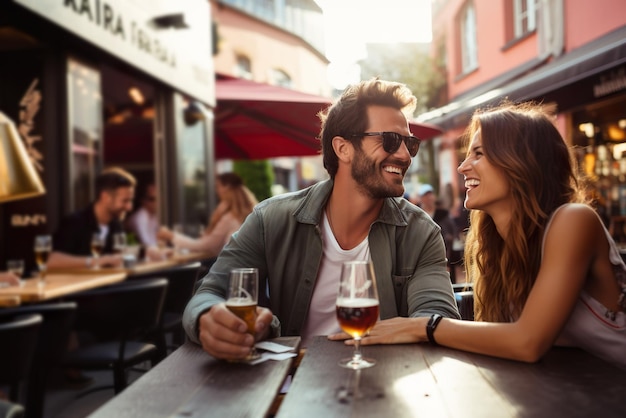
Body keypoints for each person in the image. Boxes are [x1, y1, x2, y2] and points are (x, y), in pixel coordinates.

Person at [183, 78, 460, 361]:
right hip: (290, 388)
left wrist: (424, 326)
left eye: (409, 143)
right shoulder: (271, 219)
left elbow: (437, 316)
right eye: (390, 140)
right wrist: (209, 319)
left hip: (383, 387)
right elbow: (209, 293)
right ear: (343, 148)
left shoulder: (420, 232)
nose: (403, 155)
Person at [343, 102, 626, 369]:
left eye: (478, 154)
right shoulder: (497, 245)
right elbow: (503, 343)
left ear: (521, 162)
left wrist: (423, 326)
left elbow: (528, 343)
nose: (463, 166)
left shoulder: (573, 221)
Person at [48, 167, 136, 269]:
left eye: (130, 201)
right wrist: (95, 261)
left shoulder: (116, 225)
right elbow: (51, 260)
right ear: (105, 197)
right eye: (125, 201)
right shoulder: (75, 222)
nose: (129, 207)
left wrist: (146, 251)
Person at [157, 172, 258, 257]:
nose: (216, 191)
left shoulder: (230, 218)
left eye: (217, 186)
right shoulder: (250, 213)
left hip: (231, 271)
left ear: (226, 188)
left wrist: (171, 236)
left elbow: (206, 245)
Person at [417, 184, 458, 282]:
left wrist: (447, 262)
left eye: (430, 194)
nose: (429, 198)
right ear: (421, 198)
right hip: (423, 258)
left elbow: (451, 236)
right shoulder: (415, 215)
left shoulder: (443, 214)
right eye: (426, 195)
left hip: (444, 255)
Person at [127, 182, 159, 247]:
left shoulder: (154, 215)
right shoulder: (140, 217)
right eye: (152, 199)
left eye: (159, 198)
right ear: (143, 200)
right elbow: (147, 243)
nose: (157, 202)